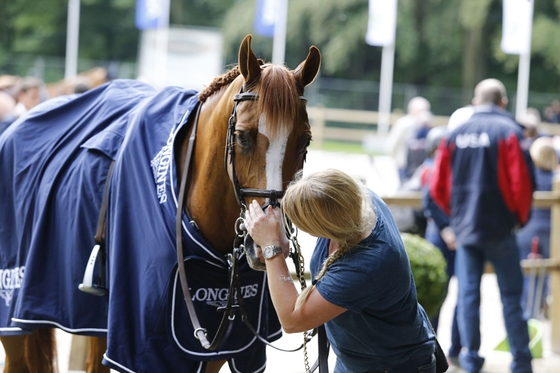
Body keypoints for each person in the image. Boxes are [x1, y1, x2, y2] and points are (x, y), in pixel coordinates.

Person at [245, 168, 437, 372]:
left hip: (390, 365)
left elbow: (292, 320)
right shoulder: (357, 201)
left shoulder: (367, 265)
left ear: (321, 227)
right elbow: (324, 194)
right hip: (359, 360)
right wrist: (279, 233)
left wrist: (271, 248)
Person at [430, 78, 534, 373]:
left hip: (466, 231)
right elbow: (521, 184)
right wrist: (518, 219)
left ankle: (471, 359)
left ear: (476, 102)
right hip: (501, 228)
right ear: (503, 102)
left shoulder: (454, 134)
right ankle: (521, 362)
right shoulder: (510, 132)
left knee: (468, 296)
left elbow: (437, 186)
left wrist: (457, 219)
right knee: (512, 298)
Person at [419, 125, 462, 366]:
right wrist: (447, 229)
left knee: (464, 295)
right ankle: (431, 348)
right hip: (443, 235)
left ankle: (456, 348)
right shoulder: (435, 166)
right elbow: (430, 200)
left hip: (457, 234)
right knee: (438, 295)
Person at [516, 136, 558, 320]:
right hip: (551, 233)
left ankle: (526, 313)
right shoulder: (555, 180)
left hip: (526, 231)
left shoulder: (527, 178)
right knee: (548, 273)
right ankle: (541, 307)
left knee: (526, 273)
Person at [386, 96, 432, 182]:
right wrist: (397, 160)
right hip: (404, 164)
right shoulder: (404, 124)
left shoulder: (424, 125)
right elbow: (393, 143)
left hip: (418, 165)